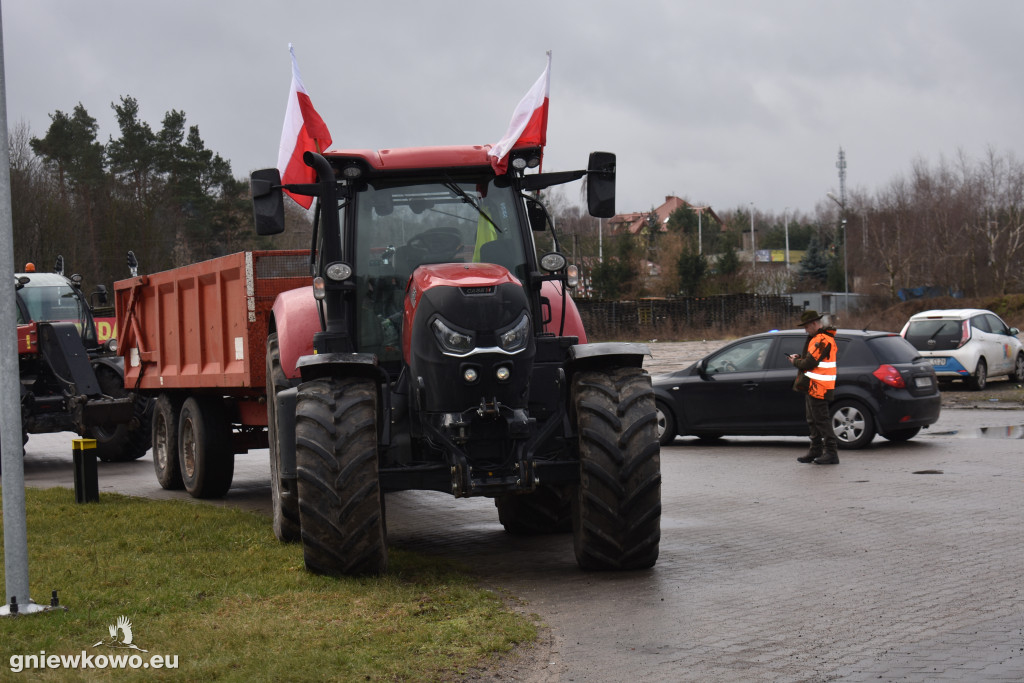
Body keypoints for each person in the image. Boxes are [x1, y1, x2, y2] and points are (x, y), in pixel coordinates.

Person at [787, 310, 839, 465]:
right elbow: (811, 360)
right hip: (813, 386)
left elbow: (810, 363)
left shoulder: (822, 340)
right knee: (813, 420)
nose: (805, 330)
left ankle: (831, 452)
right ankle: (815, 450)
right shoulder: (818, 338)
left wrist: (795, 362)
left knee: (821, 420)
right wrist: (800, 358)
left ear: (815, 324)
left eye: (807, 327)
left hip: (820, 386)